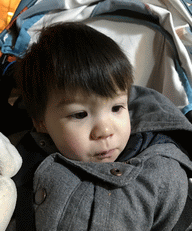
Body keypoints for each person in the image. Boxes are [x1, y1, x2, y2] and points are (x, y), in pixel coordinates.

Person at [4, 22, 192, 230]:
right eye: (80, 114)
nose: (105, 131)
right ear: (41, 123)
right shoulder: (20, 159)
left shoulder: (162, 170)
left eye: (116, 108)